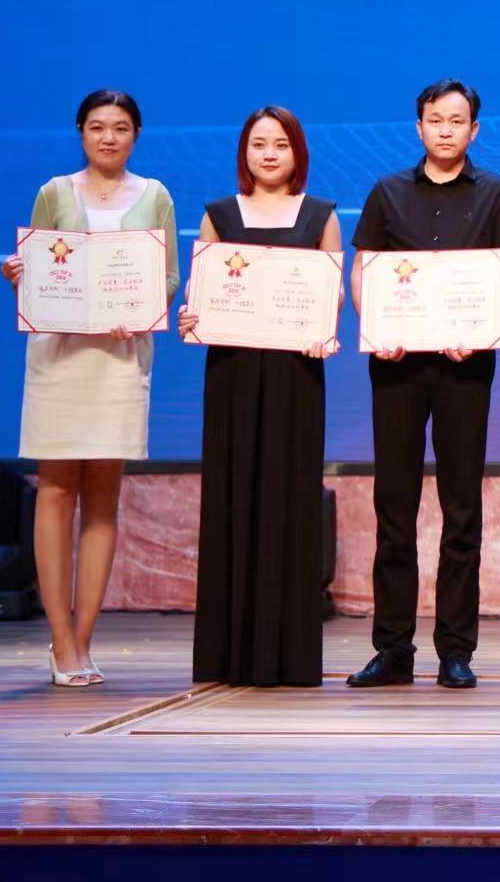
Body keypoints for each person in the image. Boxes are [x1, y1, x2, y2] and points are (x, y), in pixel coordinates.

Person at [346, 80, 500, 690]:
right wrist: (377, 326)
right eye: (435, 119)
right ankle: (393, 648)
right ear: (418, 127)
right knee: (394, 507)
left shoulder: (496, 191)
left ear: (474, 130)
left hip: (464, 367)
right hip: (396, 366)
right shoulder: (387, 191)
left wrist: (480, 324)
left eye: (457, 120)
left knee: (461, 507)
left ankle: (455, 649)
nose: (445, 130)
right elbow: (363, 268)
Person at [0, 89, 178, 688]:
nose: (109, 137)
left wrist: (142, 305)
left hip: (119, 359)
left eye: (121, 127)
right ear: (81, 132)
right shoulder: (55, 192)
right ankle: (59, 640)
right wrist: (18, 275)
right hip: (60, 358)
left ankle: (83, 639)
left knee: (104, 497)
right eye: (98, 126)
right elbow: (38, 275)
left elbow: (168, 279)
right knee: (55, 490)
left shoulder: (155, 196)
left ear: (136, 135)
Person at [178, 106, 339, 688]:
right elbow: (201, 291)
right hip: (233, 376)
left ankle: (287, 654)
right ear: (244, 152)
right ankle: (225, 654)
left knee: (290, 499)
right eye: (258, 144)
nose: (269, 154)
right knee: (232, 495)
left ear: (298, 152)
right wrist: (192, 314)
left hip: (297, 377)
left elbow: (330, 295)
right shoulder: (218, 214)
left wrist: (324, 329)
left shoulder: (321, 215)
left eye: (280, 144)